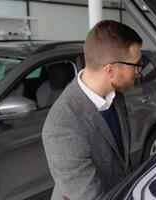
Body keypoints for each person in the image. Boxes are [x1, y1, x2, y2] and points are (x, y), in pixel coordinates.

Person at [42, 20, 143, 200]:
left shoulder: (115, 94)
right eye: (135, 64)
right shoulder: (62, 127)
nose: (138, 71)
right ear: (110, 70)